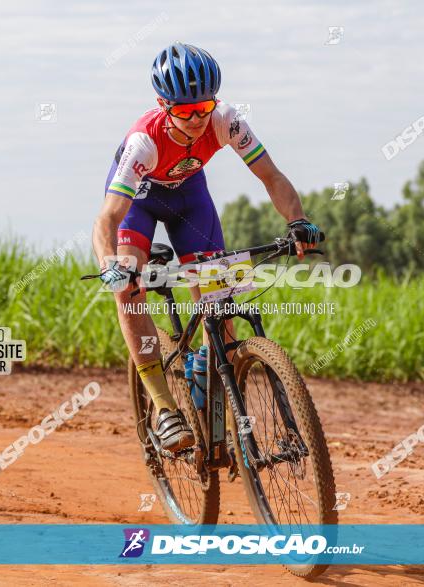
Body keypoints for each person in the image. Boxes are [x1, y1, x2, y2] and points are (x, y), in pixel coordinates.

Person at [92, 42, 321, 452]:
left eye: (204, 107)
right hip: (138, 203)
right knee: (129, 289)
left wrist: (297, 221)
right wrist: (113, 266)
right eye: (184, 111)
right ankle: (164, 408)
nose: (198, 119)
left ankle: (218, 402)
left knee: (224, 298)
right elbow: (107, 217)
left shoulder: (227, 121)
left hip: (189, 201)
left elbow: (271, 176)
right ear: (163, 104)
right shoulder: (143, 142)